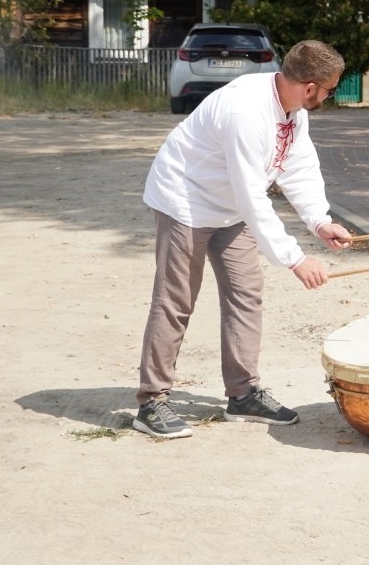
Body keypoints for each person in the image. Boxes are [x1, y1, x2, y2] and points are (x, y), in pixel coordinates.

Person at [133, 40, 354, 439]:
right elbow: (253, 195)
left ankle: (243, 394)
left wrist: (320, 222)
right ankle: (152, 401)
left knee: (245, 291)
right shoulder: (245, 111)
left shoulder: (292, 111)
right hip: (184, 199)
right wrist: (294, 258)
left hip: (228, 205)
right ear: (309, 86)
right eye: (329, 89)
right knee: (177, 298)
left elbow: (297, 166)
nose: (327, 96)